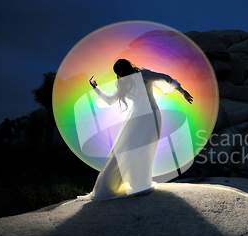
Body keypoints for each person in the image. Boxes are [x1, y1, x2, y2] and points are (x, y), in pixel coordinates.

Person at [78, 59, 193, 201]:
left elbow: (110, 100)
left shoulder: (129, 82)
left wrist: (96, 88)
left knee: (132, 149)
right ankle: (139, 185)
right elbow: (165, 78)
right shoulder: (140, 76)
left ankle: (132, 184)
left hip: (137, 119)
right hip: (149, 117)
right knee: (141, 149)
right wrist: (182, 91)